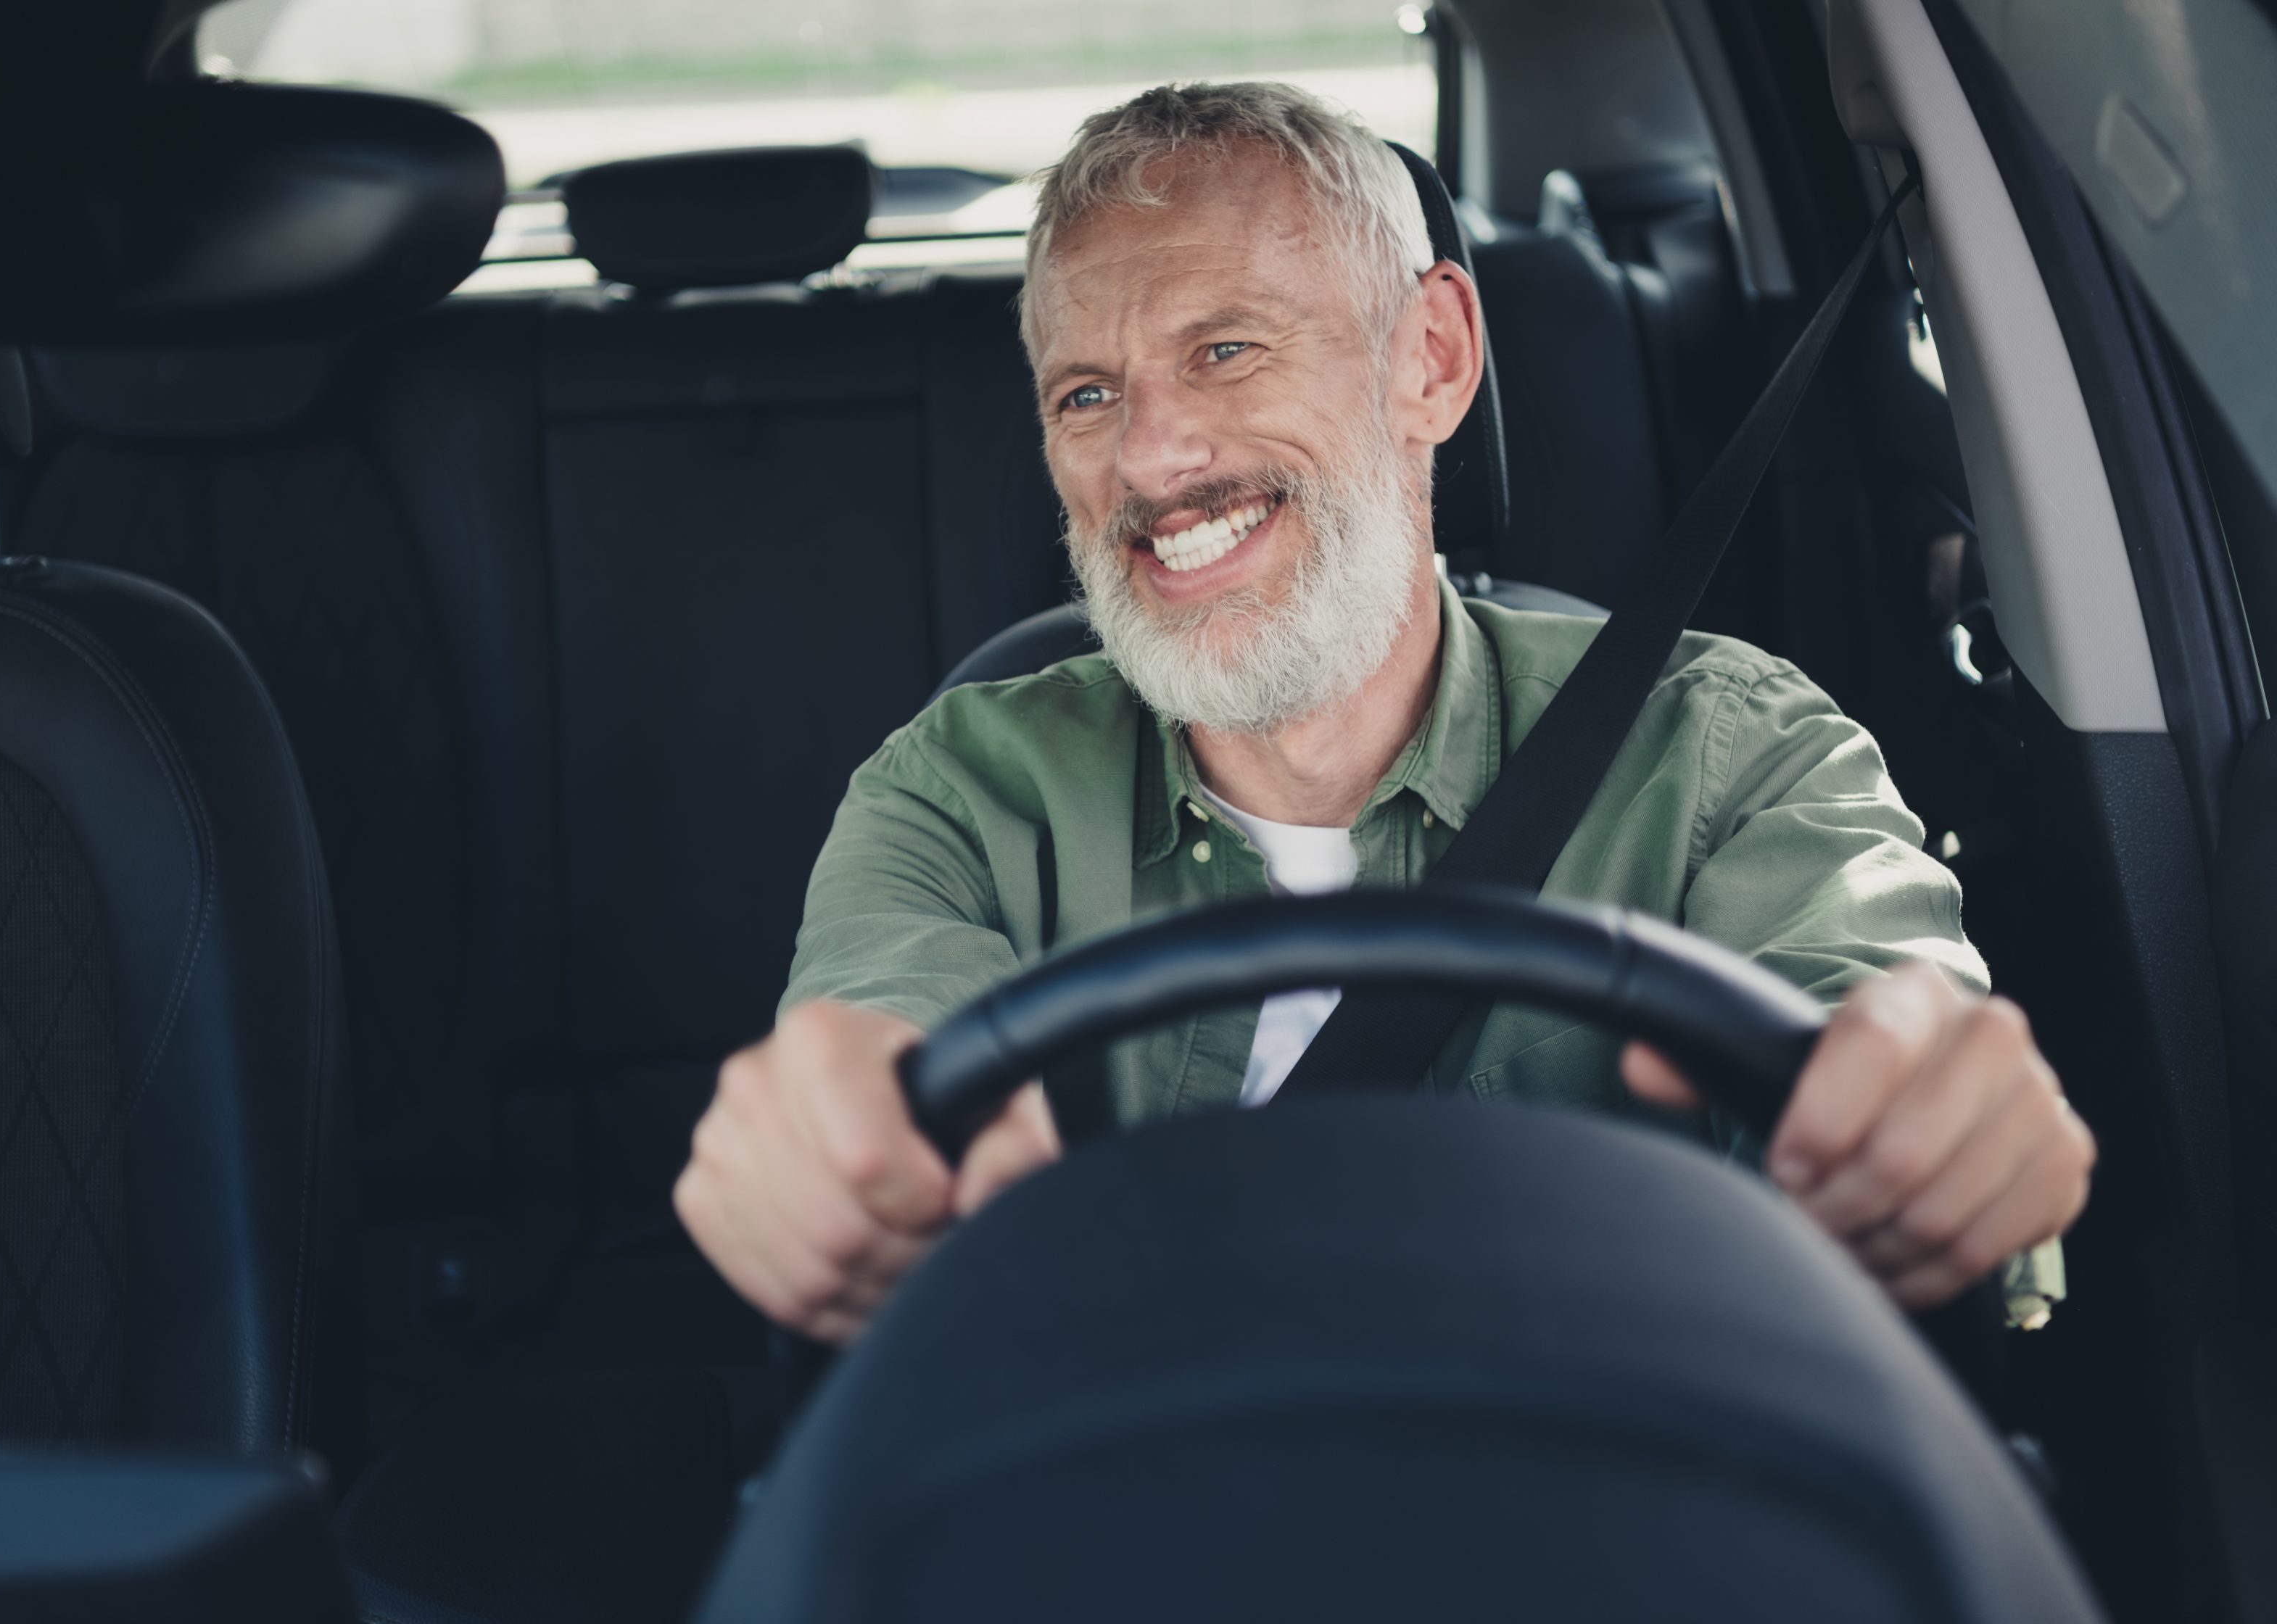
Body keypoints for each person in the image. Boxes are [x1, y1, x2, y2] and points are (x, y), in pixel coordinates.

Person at [674, 81, 2093, 1346]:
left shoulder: (1728, 754)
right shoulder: (957, 794)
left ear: (1430, 358)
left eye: (1227, 349)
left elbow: (1873, 1007)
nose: (1150, 459)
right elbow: (872, 1046)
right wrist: (828, 1145)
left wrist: (1928, 1116)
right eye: (1088, 393)